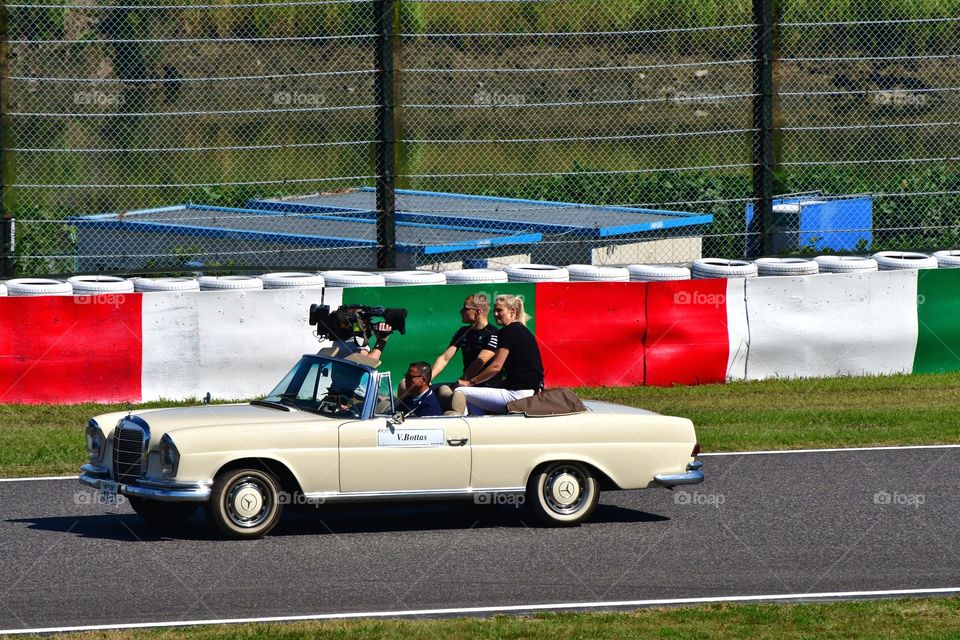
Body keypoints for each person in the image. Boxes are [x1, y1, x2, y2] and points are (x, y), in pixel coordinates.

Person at [455, 294, 544, 414]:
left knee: (460, 391)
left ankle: (465, 427)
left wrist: (470, 382)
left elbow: (496, 366)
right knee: (475, 401)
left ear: (512, 311)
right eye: (494, 311)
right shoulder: (524, 330)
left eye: (499, 310)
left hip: (517, 396)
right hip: (530, 393)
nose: (495, 314)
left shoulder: (507, 331)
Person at [432, 293, 500, 387]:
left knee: (445, 392)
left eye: (465, 308)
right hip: (466, 384)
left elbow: (480, 361)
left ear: (477, 312)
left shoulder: (494, 333)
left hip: (486, 386)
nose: (461, 311)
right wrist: (427, 379)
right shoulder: (463, 331)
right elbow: (445, 358)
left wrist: (461, 382)